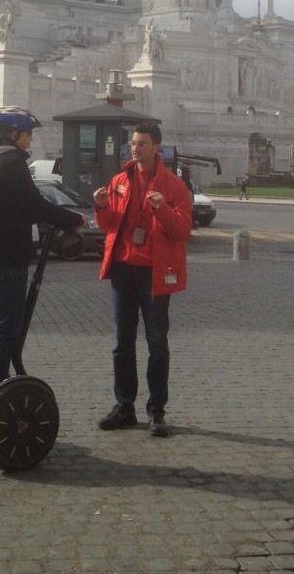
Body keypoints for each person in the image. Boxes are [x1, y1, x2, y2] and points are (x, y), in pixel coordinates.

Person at [0, 106, 86, 422]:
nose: (30, 141)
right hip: (5, 258)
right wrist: (73, 218)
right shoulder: (10, 163)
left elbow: (13, 206)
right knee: (4, 328)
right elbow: (34, 206)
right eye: (28, 134)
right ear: (13, 134)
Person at [93, 121, 193, 437]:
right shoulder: (120, 181)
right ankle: (124, 406)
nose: (135, 148)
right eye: (133, 143)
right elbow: (110, 225)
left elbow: (182, 230)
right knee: (122, 343)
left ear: (156, 148)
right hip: (123, 271)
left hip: (155, 274)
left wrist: (161, 209)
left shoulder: (174, 186)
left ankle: (157, 410)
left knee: (157, 344)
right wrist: (100, 206)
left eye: (142, 143)